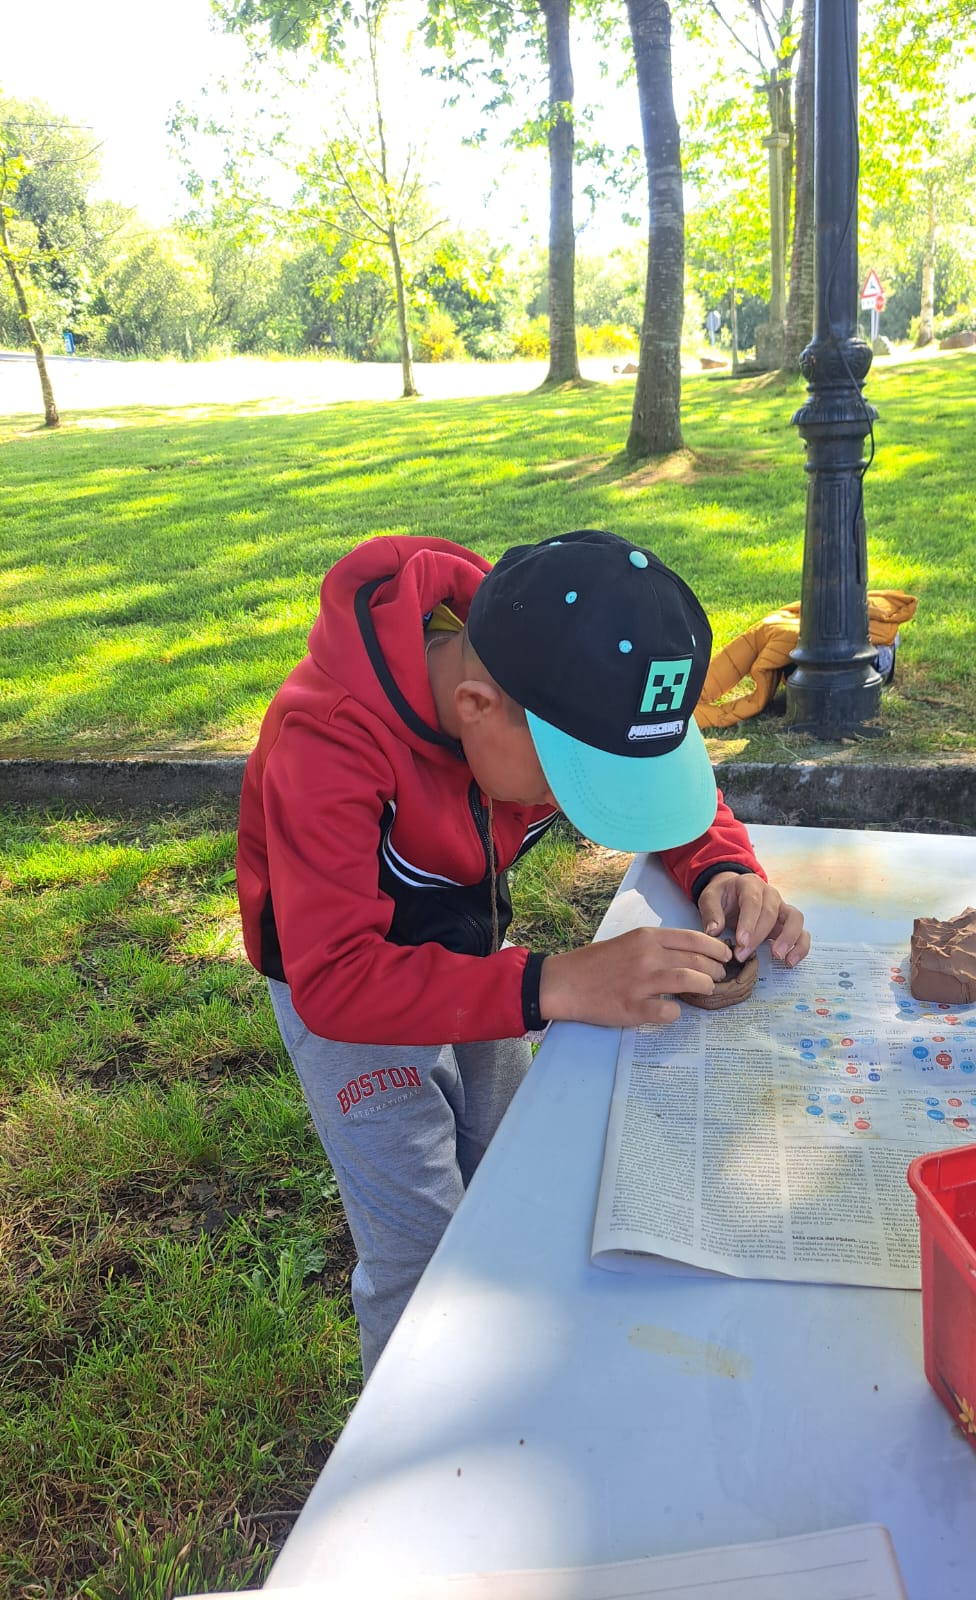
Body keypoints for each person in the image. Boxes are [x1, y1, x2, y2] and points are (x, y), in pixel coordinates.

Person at [237, 529, 810, 1378]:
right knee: (423, 1249)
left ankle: (506, 1367)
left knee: (507, 1165)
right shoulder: (325, 742)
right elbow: (336, 978)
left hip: (475, 954)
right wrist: (554, 983)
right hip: (349, 997)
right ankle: (418, 1429)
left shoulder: (543, 681)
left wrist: (721, 864)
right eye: (576, 787)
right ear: (475, 708)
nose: (582, 810)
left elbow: (665, 792)